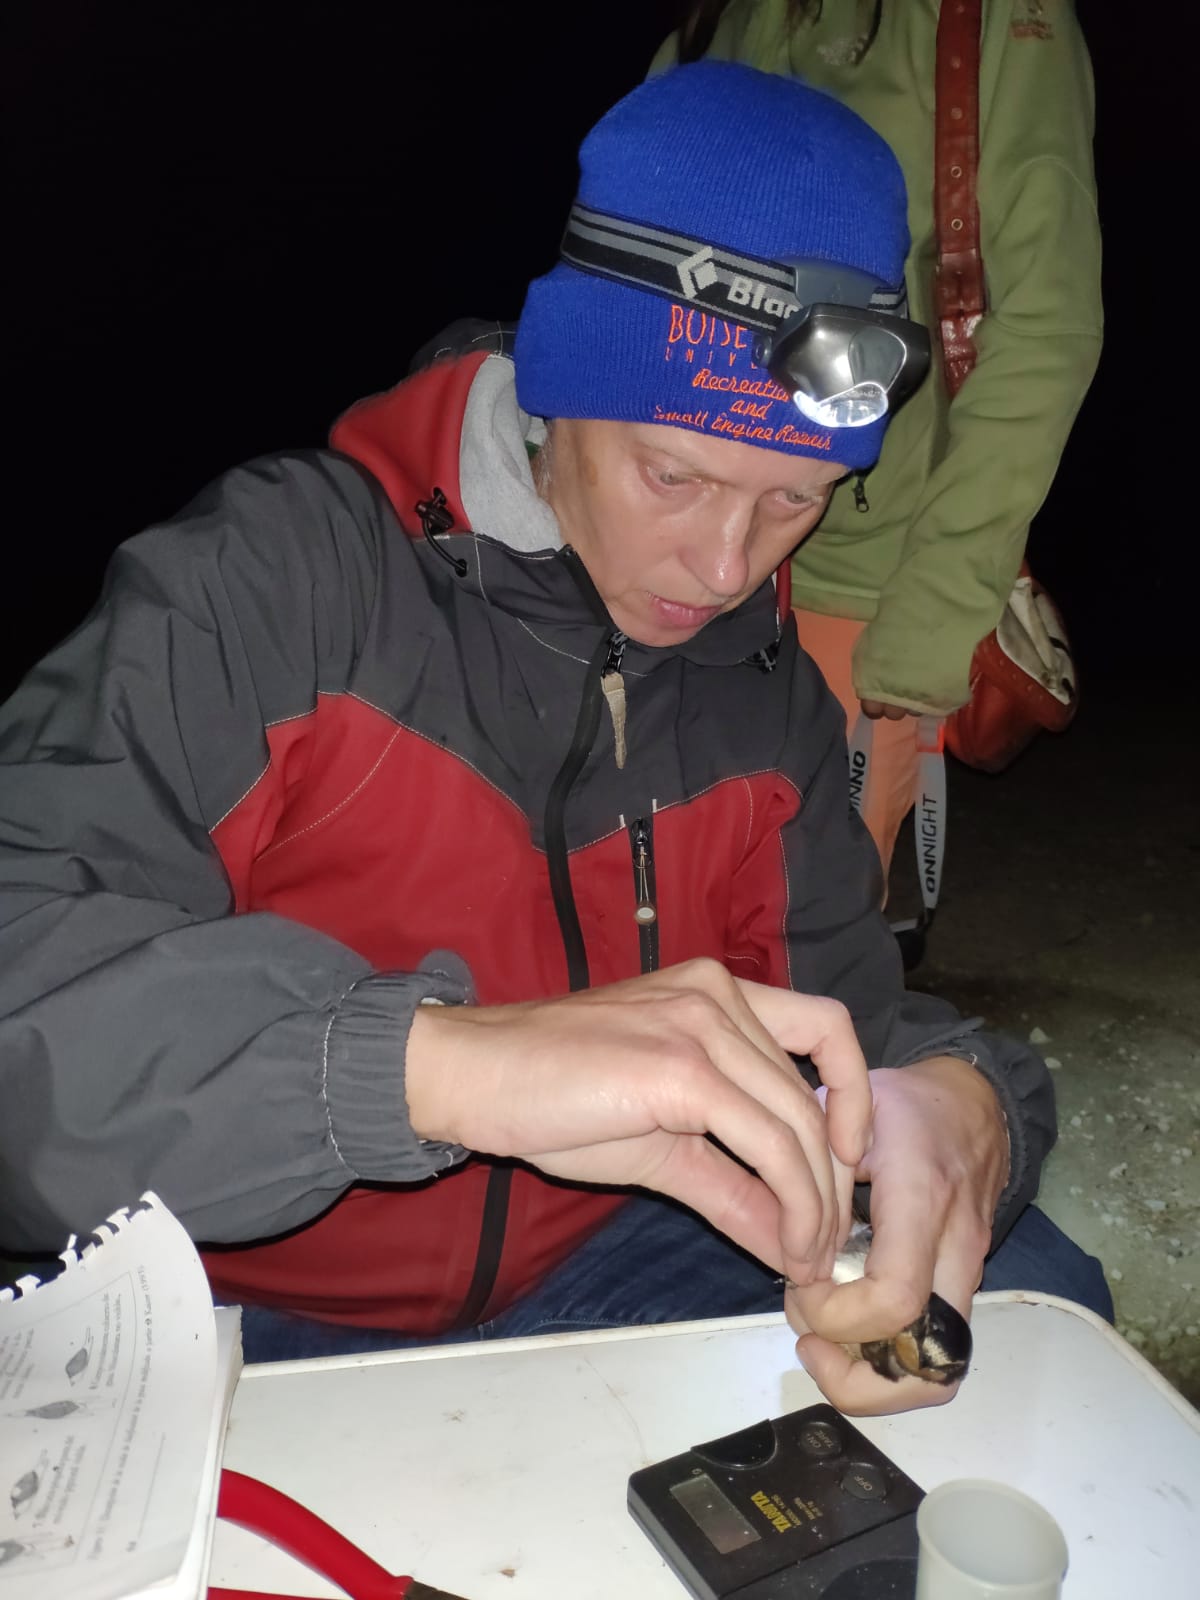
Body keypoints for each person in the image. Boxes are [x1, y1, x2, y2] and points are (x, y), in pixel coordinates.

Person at [0, 61, 1107, 1417]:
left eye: (795, 501)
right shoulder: (276, 577)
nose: (720, 565)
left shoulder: (766, 689)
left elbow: (855, 1031)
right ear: (561, 382)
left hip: (613, 1268)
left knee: (1036, 1303)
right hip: (244, 1308)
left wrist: (963, 1100)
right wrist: (437, 1066)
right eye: (673, 474)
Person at [655, 1, 1103, 882]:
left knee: (797, 933)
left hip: (854, 575)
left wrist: (939, 604)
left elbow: (1046, 327)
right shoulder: (718, 18)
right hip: (670, 536)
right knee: (644, 901)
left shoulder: (1002, 16)